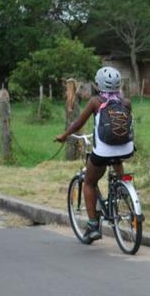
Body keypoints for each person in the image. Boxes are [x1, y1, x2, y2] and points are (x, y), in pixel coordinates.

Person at [55, 66, 134, 242]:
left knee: (89, 183)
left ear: (98, 85)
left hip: (103, 152)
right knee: (116, 159)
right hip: (126, 149)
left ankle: (92, 226)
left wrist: (64, 135)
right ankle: (122, 191)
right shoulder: (126, 103)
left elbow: (77, 124)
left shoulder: (95, 102)